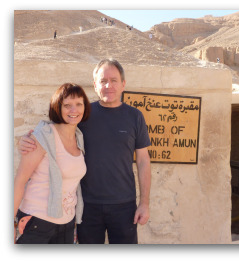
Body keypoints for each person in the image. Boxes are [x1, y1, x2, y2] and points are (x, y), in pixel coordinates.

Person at [18, 59, 151, 244]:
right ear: (95, 85)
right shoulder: (84, 114)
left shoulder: (135, 116)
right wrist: (25, 140)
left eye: (114, 80)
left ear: (123, 84)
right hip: (87, 207)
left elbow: (143, 160)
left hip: (124, 205)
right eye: (103, 80)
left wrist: (144, 203)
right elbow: (55, 128)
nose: (108, 85)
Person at [14, 83, 91, 244]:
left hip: (67, 224)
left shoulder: (79, 137)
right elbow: (20, 181)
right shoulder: (43, 136)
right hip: (37, 222)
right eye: (67, 105)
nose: (74, 110)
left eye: (78, 104)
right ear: (58, 107)